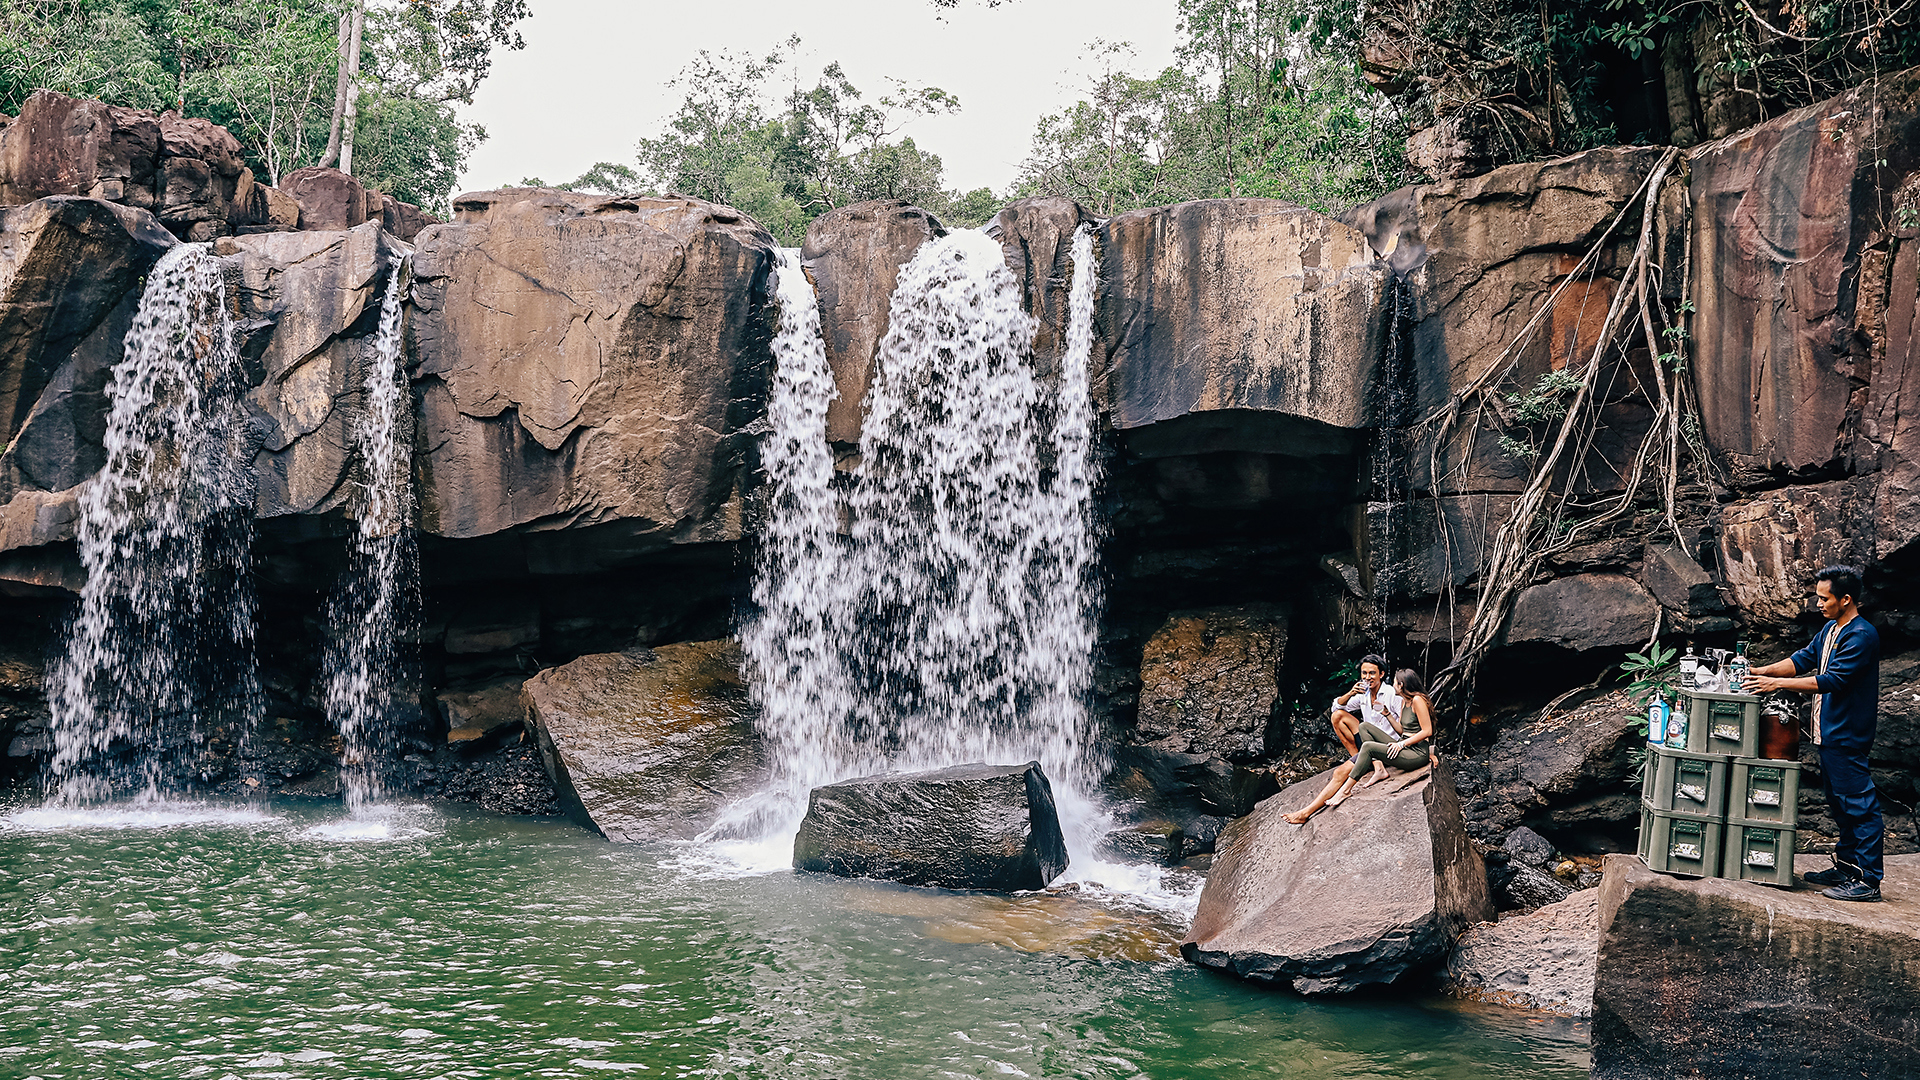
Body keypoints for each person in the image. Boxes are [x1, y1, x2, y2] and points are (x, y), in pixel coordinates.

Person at [1744, 565, 1884, 902]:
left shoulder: (1860, 635)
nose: (1817, 603)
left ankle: (1868, 881)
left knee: (1860, 806)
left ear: (1846, 599)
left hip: (1847, 735)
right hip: (1827, 734)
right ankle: (1847, 867)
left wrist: (1776, 684)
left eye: (1824, 598)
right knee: (1840, 805)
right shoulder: (1830, 630)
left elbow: (1833, 680)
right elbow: (1802, 660)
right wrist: (1761, 671)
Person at [1287, 668, 1433, 825]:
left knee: (1368, 747)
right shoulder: (1405, 701)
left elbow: (1428, 731)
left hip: (1415, 752)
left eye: (1396, 682)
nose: (1393, 684)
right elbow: (1403, 730)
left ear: (1402, 685)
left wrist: (1402, 744)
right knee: (1364, 726)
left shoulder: (1418, 700)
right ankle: (1378, 768)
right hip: (1402, 745)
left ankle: (1345, 790)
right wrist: (1387, 714)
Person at [1329, 654, 1401, 758]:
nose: (1367, 678)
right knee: (1337, 716)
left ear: (1381, 674)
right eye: (1364, 673)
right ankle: (1356, 758)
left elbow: (1407, 724)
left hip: (1388, 743)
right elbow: (1335, 708)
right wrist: (1350, 693)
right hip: (1368, 740)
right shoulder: (1363, 693)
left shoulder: (1392, 693)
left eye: (1372, 673)